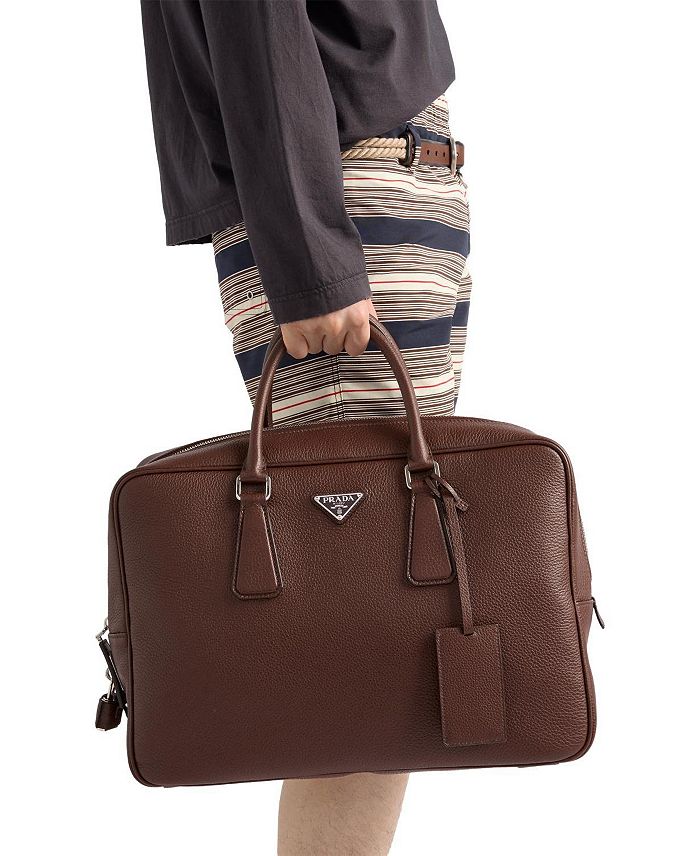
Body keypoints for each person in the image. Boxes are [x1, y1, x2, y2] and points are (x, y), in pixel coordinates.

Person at [140, 1, 470, 852]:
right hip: (342, 190)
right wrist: (311, 258)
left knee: (382, 636)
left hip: (376, 178)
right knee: (368, 641)